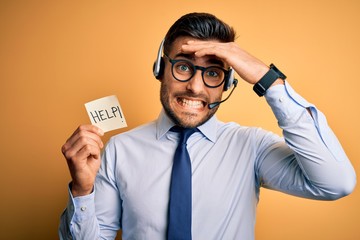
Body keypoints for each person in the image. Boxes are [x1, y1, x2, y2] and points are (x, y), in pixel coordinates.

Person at [59, 12, 356, 240]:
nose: (196, 88)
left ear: (227, 83)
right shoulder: (120, 150)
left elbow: (336, 182)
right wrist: (83, 191)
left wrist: (269, 80)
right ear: (161, 69)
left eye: (213, 73)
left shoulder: (251, 147)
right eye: (184, 67)